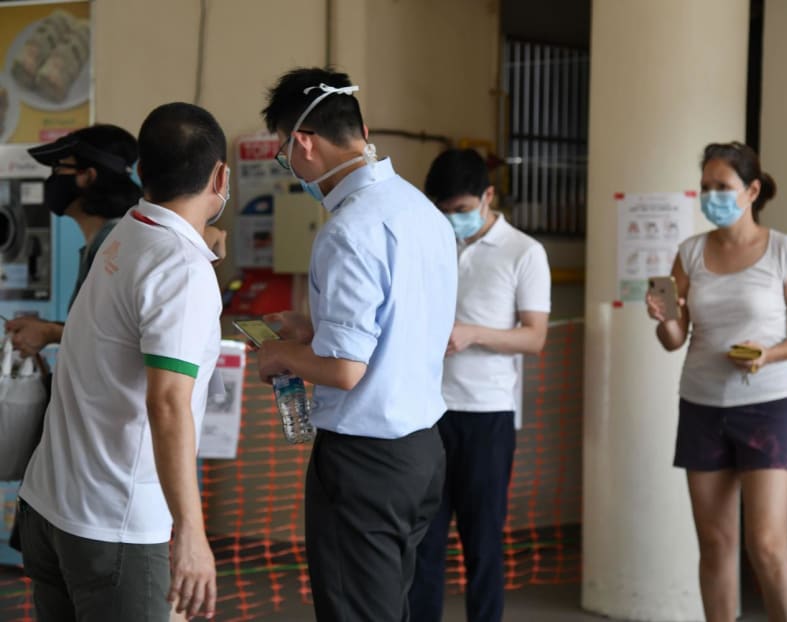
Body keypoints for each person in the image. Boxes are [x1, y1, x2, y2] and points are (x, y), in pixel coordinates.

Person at [257, 67, 457, 621]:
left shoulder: (350, 229)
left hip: (365, 461)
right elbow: (403, 328)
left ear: (303, 143)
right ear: (362, 127)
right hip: (421, 450)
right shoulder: (423, 212)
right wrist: (311, 331)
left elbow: (346, 369)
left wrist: (278, 355)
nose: (291, 167)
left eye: (284, 154)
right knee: (388, 605)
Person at [16, 102, 229, 622]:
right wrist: (193, 533)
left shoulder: (126, 234)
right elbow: (168, 403)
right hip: (115, 524)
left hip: (51, 505)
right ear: (220, 176)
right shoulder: (180, 266)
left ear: (143, 173)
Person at [646, 141, 787, 621]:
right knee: (716, 543)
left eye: (722, 187)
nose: (710, 196)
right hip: (701, 404)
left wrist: (770, 354)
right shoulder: (690, 253)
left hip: (768, 405)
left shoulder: (784, 251)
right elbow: (674, 339)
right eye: (705, 187)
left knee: (767, 545)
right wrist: (664, 318)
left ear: (752, 191)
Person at [408, 149, 551, 622]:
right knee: (423, 540)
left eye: (462, 210)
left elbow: (535, 337)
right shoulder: (431, 245)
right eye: (443, 212)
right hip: (428, 411)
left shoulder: (524, 252)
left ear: (489, 196)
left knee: (482, 542)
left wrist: (473, 334)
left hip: (488, 415)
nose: (452, 220)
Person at [5, 124, 143, 355]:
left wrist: (49, 333)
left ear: (87, 177)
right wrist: (46, 328)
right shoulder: (102, 242)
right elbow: (94, 325)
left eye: (59, 168)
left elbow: (115, 335)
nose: (52, 179)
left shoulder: (113, 245)